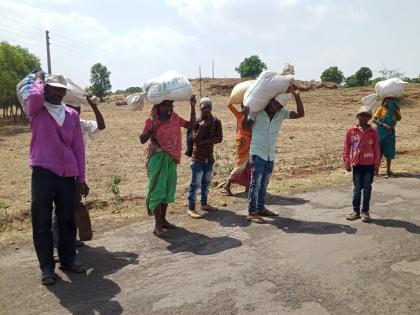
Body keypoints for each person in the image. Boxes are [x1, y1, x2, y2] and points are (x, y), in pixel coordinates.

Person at [27, 73, 89, 286]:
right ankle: (46, 268)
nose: (56, 92)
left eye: (60, 89)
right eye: (52, 88)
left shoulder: (71, 114)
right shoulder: (37, 110)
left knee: (67, 221)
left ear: (65, 92)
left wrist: (81, 178)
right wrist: (38, 80)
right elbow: (34, 97)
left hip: (67, 174)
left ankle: (68, 260)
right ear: (45, 88)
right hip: (43, 171)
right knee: (42, 221)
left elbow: (79, 149)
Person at [243, 86, 304, 224]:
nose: (275, 107)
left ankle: (261, 208)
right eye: (275, 103)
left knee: (264, 184)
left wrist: (297, 96)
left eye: (279, 105)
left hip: (270, 154)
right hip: (258, 153)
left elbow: (300, 114)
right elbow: (246, 127)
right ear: (270, 101)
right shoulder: (257, 111)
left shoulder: (281, 113)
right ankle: (252, 212)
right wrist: (244, 115)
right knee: (255, 184)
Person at [52, 96, 106, 248]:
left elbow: (101, 126)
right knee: (59, 208)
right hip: (60, 171)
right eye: (71, 109)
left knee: (74, 205)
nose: (74, 113)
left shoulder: (81, 124)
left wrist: (94, 106)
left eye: (77, 110)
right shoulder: (58, 124)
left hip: (76, 171)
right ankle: (56, 244)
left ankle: (69, 239)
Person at [140, 96, 197, 237]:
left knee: (167, 190)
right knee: (157, 190)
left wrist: (192, 107)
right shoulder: (152, 120)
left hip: (171, 158)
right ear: (158, 106)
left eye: (170, 104)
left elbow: (191, 125)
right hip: (158, 158)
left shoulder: (175, 118)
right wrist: (151, 128)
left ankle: (163, 220)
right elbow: (142, 139)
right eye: (165, 105)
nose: (168, 108)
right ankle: (157, 226)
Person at [187, 97, 223, 219]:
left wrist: (206, 140)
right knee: (194, 185)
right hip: (197, 159)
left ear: (211, 108)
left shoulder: (216, 121)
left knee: (206, 183)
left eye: (208, 108)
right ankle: (191, 208)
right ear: (200, 109)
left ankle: (204, 204)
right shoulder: (197, 122)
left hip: (209, 158)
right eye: (204, 109)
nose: (206, 111)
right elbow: (195, 140)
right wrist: (202, 127)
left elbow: (219, 138)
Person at [343, 106, 381, 222]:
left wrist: (376, 165)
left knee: (367, 189)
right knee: (357, 188)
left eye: (366, 115)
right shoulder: (351, 131)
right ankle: (356, 211)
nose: (363, 117)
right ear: (358, 116)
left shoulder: (373, 131)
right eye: (361, 115)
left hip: (369, 165)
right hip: (357, 164)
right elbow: (347, 147)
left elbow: (376, 149)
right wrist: (347, 162)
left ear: (369, 118)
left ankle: (366, 212)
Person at [223, 103, 252, 196]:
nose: (246, 107)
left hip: (250, 141)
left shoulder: (252, 116)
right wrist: (245, 113)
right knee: (241, 163)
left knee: (249, 163)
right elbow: (229, 105)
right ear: (242, 107)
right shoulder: (241, 115)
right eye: (244, 105)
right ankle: (227, 185)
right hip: (242, 142)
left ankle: (248, 186)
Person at [372, 97, 402, 177]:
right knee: (378, 151)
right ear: (383, 101)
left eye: (390, 100)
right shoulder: (381, 108)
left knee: (389, 151)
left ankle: (388, 170)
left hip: (390, 133)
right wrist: (383, 124)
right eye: (387, 100)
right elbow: (374, 120)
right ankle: (376, 170)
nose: (388, 102)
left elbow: (399, 119)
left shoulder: (395, 110)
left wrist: (394, 110)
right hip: (380, 132)